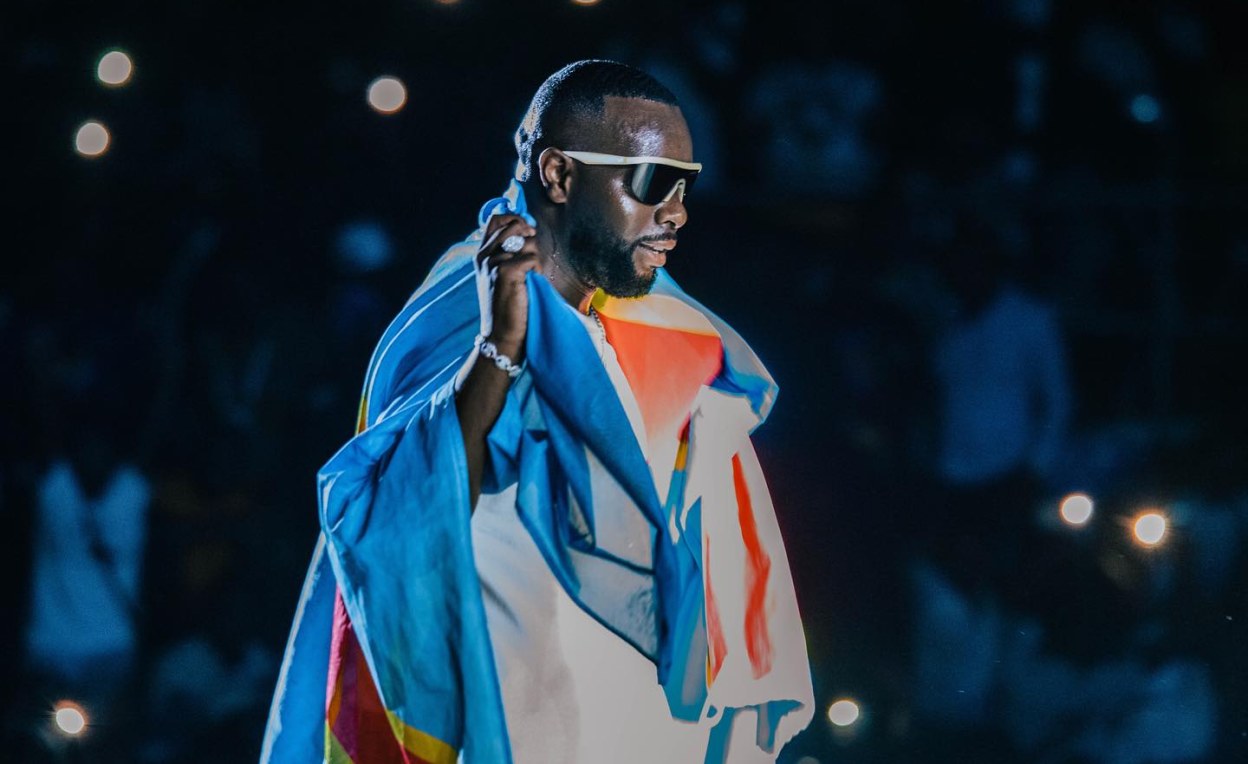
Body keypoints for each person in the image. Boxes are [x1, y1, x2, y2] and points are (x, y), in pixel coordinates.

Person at [262, 60, 813, 764]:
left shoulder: (662, 330)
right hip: (513, 730)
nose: (675, 210)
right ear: (558, 175)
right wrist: (499, 350)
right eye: (650, 183)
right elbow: (395, 510)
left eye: (687, 184)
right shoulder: (459, 314)